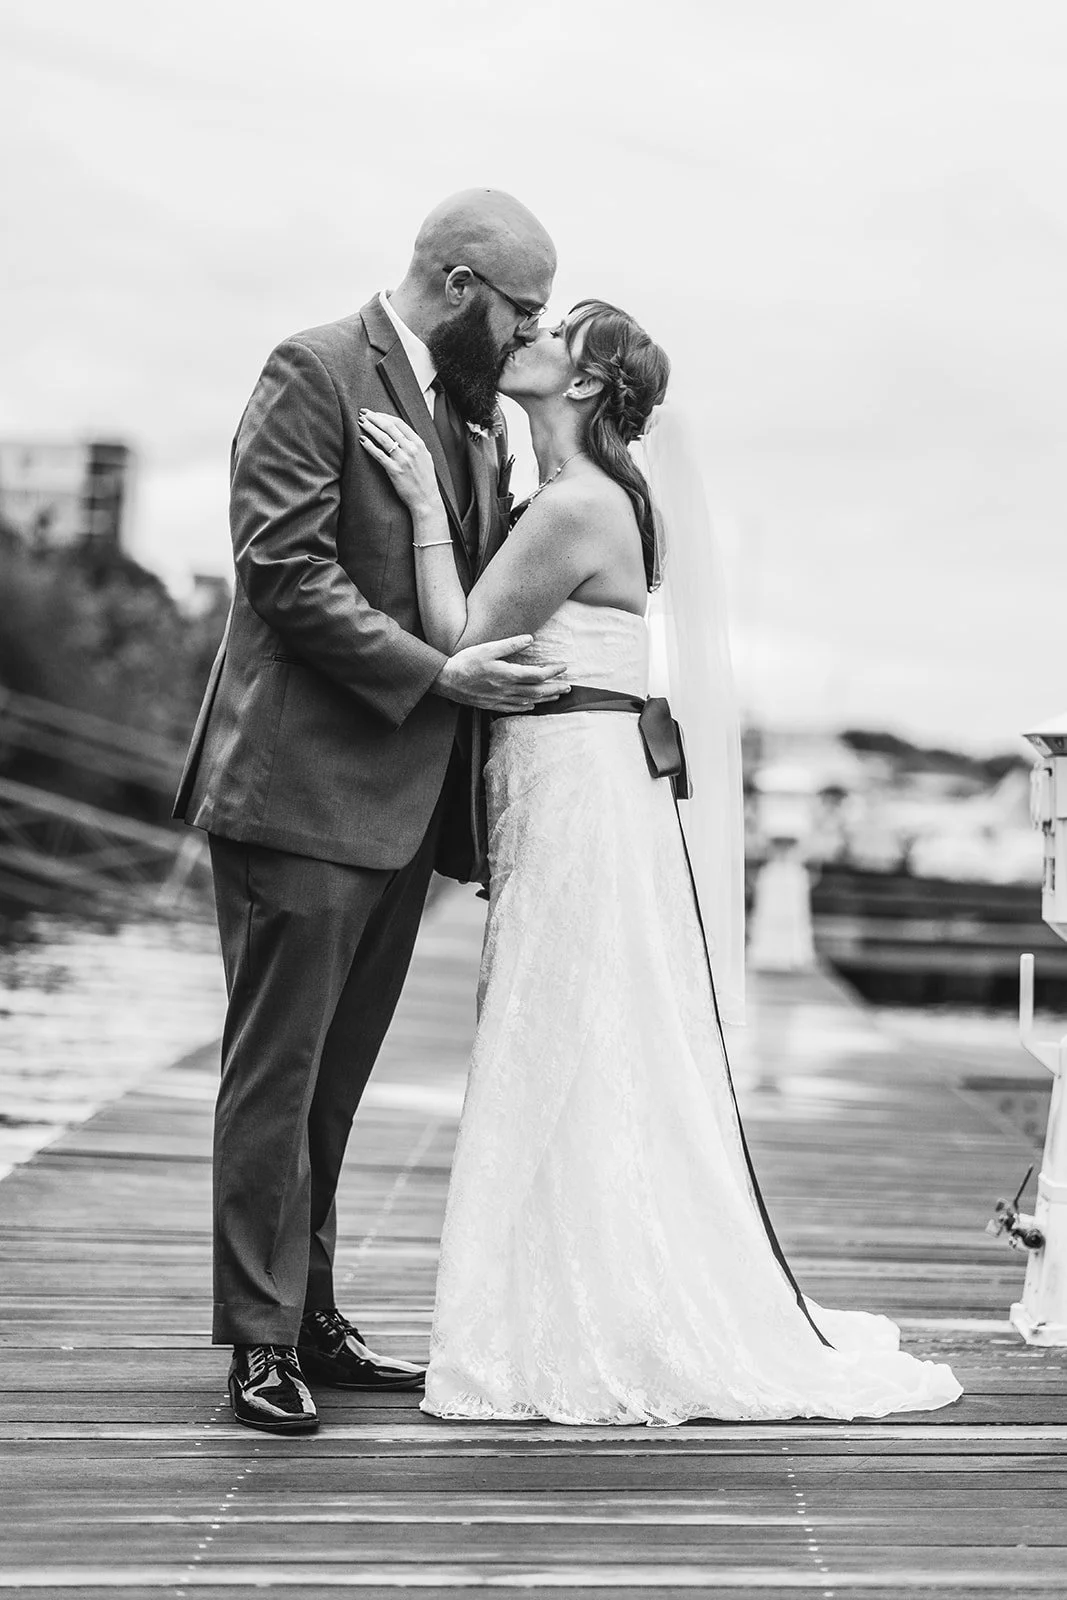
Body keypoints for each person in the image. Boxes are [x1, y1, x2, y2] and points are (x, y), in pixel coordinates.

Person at [358, 298, 963, 1425]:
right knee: (584, 1025)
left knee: (559, 1027)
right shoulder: (596, 494)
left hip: (576, 787)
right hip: (582, 781)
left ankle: (573, 1314)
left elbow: (460, 639)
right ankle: (590, 1285)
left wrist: (417, 509)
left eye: (554, 339)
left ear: (584, 387)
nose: (526, 343)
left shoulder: (573, 509)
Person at [174, 189, 567, 1434]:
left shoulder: (472, 420)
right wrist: (433, 674)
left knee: (334, 1087)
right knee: (275, 1077)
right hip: (299, 792)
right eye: (519, 314)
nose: (523, 340)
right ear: (458, 286)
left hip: (405, 809)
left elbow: (483, 583)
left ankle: (314, 1315)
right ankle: (255, 1340)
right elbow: (285, 573)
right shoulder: (313, 370)